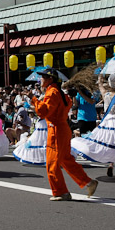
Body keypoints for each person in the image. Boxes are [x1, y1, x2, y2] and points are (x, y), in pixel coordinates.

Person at [29, 68, 98, 201]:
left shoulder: (52, 92)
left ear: (50, 79)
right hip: (63, 128)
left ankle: (61, 192)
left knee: (52, 163)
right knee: (66, 160)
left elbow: (43, 112)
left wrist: (34, 100)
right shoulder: (58, 92)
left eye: (43, 77)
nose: (40, 79)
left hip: (56, 130)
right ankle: (88, 182)